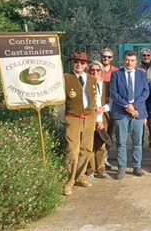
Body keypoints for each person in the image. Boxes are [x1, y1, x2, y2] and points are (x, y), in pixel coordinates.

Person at [110, 50, 150, 180]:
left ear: (136, 61)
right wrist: (127, 106)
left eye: (132, 60)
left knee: (137, 141)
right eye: (127, 60)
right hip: (121, 111)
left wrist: (135, 106)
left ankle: (137, 166)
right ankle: (122, 167)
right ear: (124, 60)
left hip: (138, 112)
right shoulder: (116, 74)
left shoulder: (142, 75)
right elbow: (114, 93)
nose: (129, 62)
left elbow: (145, 92)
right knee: (121, 142)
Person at [62, 51, 98, 195]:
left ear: (86, 65)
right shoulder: (66, 78)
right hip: (73, 118)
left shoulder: (91, 79)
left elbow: (96, 99)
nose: (79, 64)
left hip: (89, 117)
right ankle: (68, 181)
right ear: (72, 63)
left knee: (87, 149)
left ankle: (80, 176)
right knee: (72, 150)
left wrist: (96, 117)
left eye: (82, 62)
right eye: (76, 62)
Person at [86, 61, 111, 180]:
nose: (95, 72)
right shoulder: (85, 84)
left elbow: (112, 101)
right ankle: (90, 170)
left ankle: (101, 169)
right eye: (92, 70)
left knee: (101, 144)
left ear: (101, 71)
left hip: (104, 118)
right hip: (89, 118)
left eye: (97, 70)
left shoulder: (107, 85)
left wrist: (104, 108)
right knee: (89, 144)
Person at [99, 48, 118, 171]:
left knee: (109, 134)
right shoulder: (95, 69)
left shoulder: (116, 71)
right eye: (104, 56)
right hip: (97, 106)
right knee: (99, 133)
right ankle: (99, 160)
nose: (106, 59)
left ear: (112, 58)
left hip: (112, 106)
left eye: (109, 57)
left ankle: (105, 159)